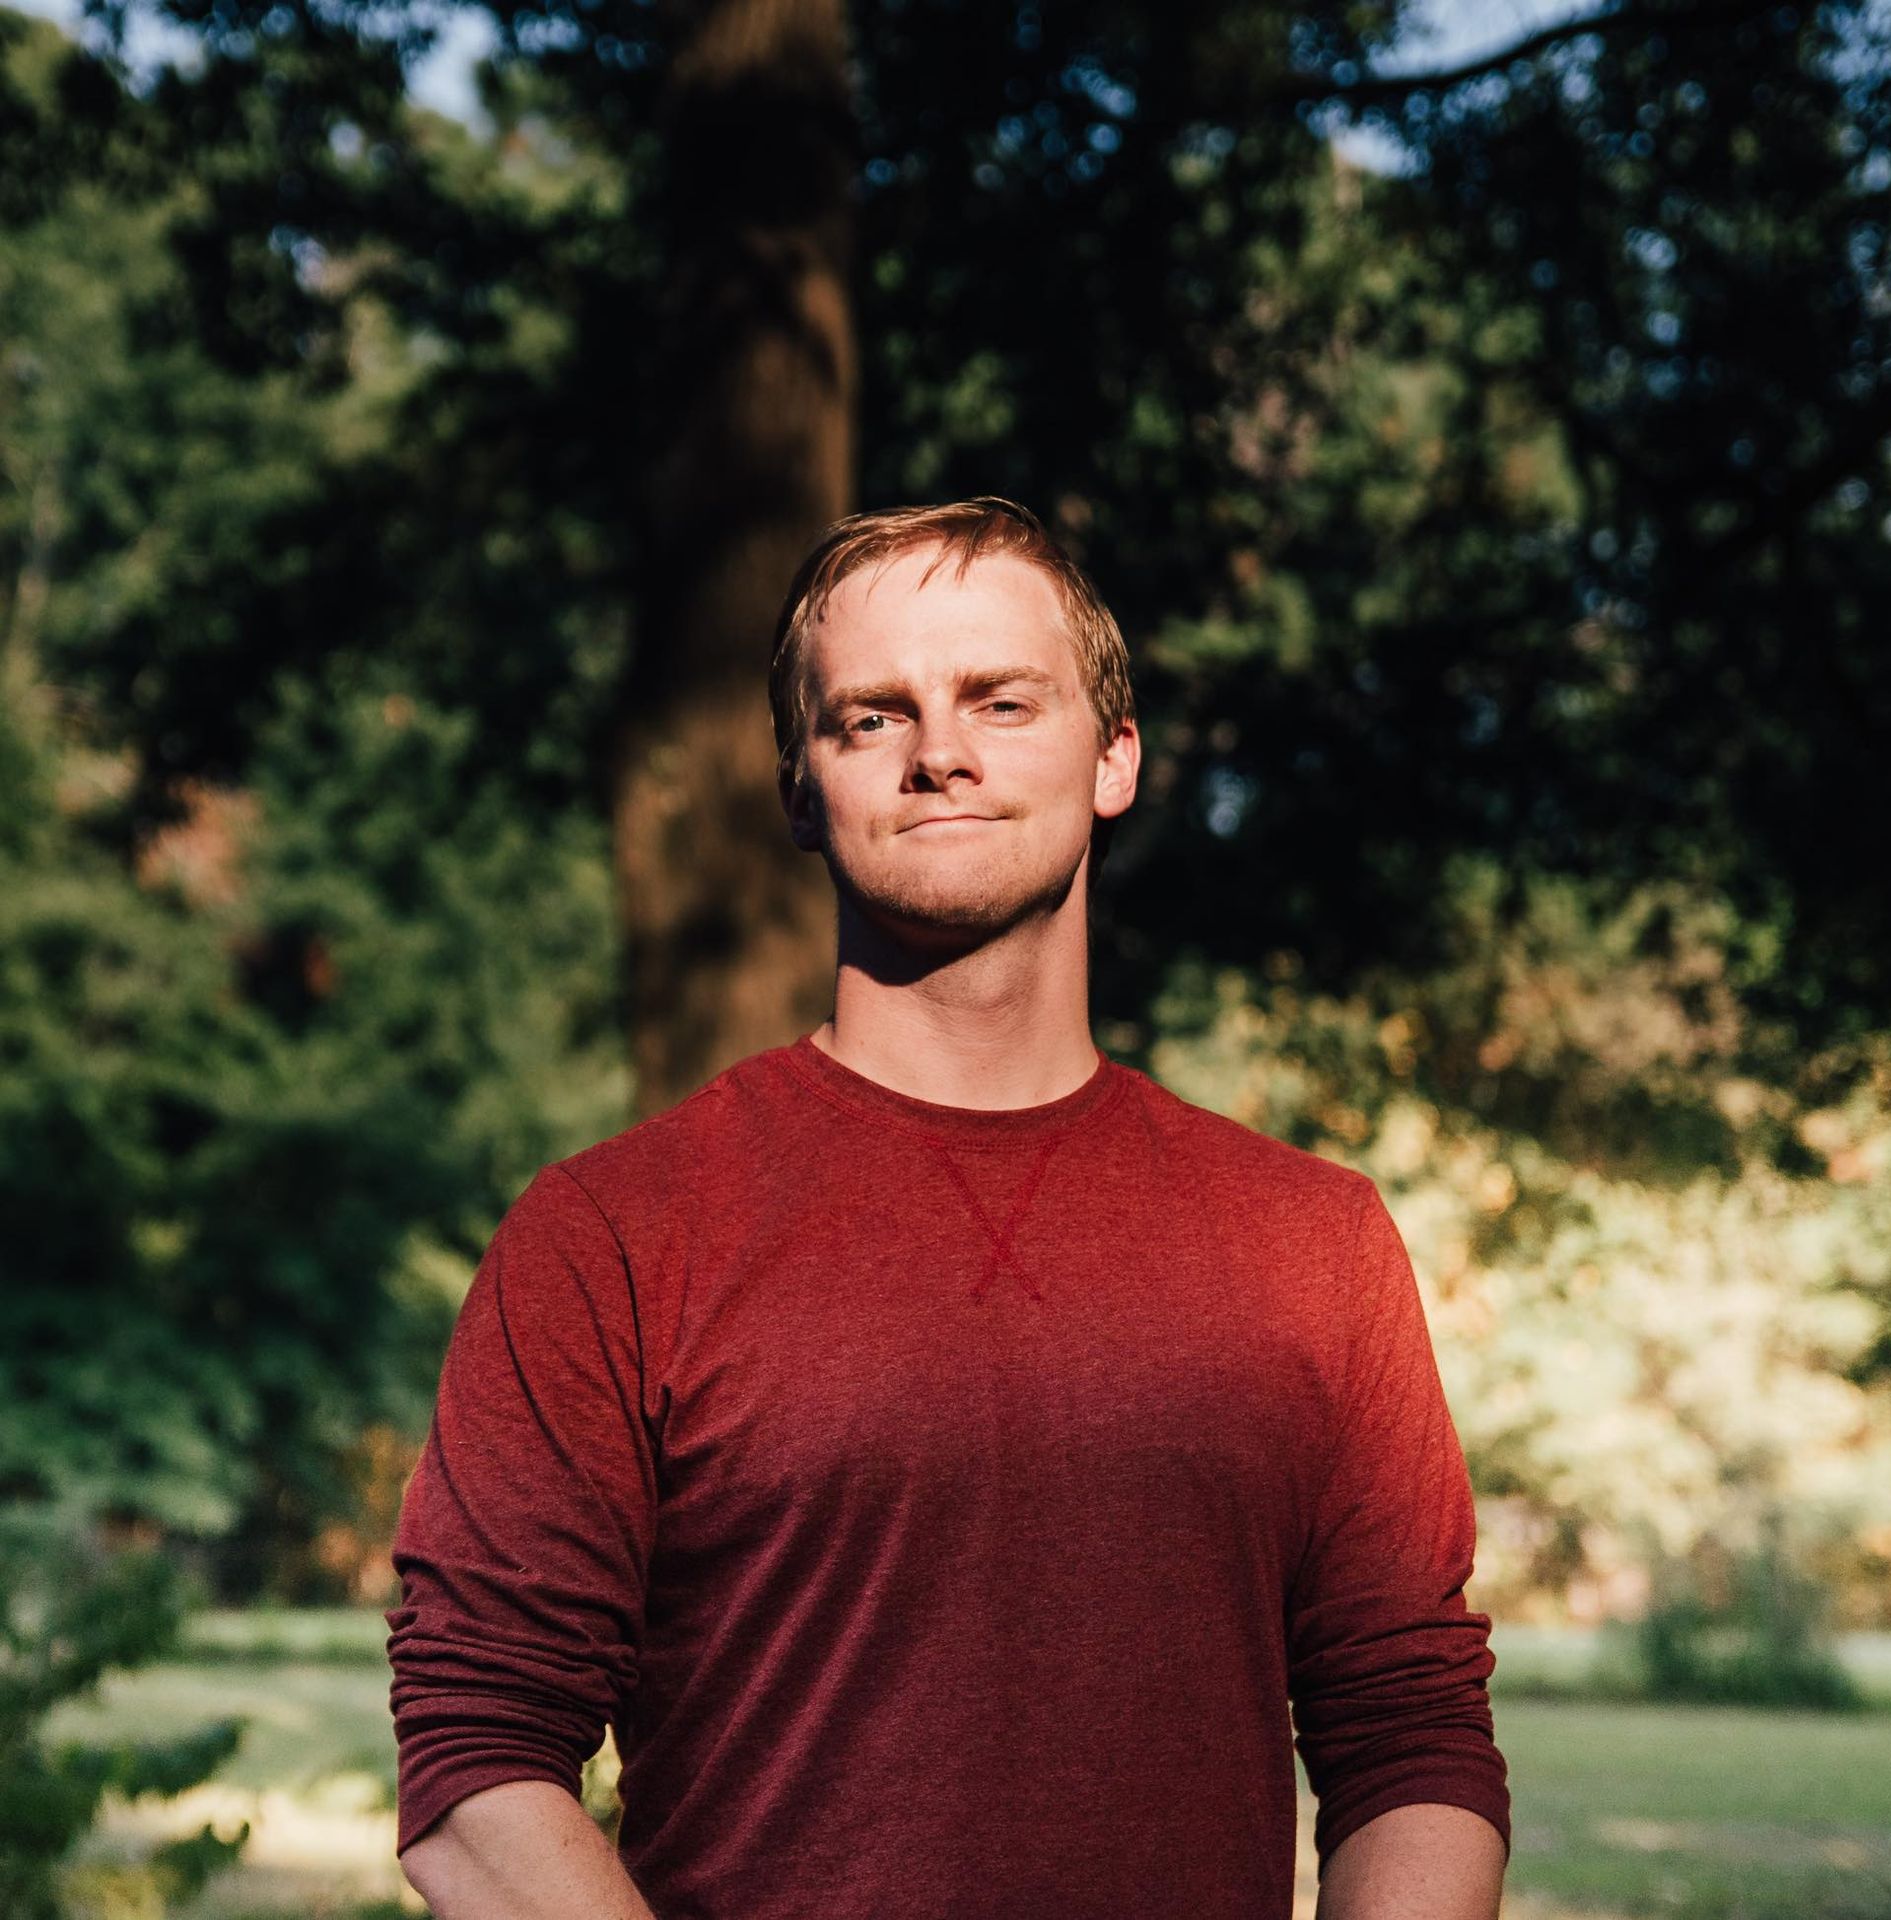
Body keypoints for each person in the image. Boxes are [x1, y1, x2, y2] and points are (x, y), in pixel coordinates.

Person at [385, 496, 1511, 1920]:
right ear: (803, 789)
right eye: (872, 717)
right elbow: (478, 1752)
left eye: (1002, 701)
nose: (940, 754)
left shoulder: (1312, 1245)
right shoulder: (610, 1235)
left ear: (1115, 757)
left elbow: (1409, 1732)